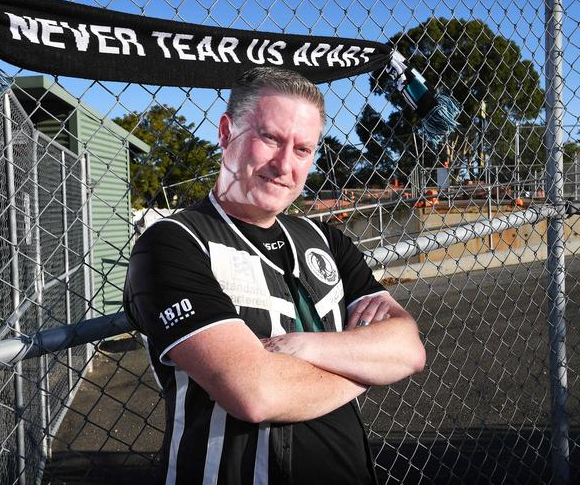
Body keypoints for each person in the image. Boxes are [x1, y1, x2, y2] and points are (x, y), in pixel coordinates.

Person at [123, 67, 426, 484]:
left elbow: (408, 348)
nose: (285, 165)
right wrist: (369, 364)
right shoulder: (172, 243)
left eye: (303, 149)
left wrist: (304, 347)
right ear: (227, 132)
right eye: (270, 138)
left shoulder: (326, 240)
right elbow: (255, 392)